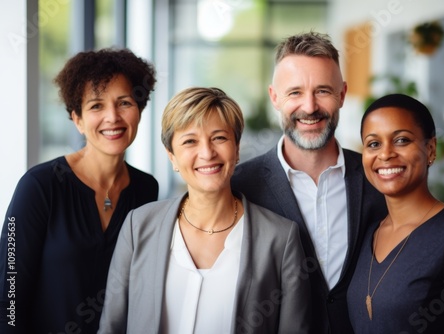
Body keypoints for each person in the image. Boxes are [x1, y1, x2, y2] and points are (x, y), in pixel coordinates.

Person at [97, 87, 312, 334]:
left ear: (237, 148)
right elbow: (112, 326)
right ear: (172, 157)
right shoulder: (138, 226)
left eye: (219, 138)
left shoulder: (280, 238)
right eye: (190, 141)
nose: (207, 153)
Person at [231, 31, 387, 333]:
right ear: (274, 97)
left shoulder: (376, 177)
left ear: (342, 94)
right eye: (295, 93)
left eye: (323, 91)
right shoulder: (240, 186)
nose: (310, 107)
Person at [0, 48, 159, 333]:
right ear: (77, 119)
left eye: (124, 102)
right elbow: (8, 299)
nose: (113, 117)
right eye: (96, 106)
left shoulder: (147, 189)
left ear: (139, 109)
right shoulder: (39, 186)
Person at [347, 93, 444, 333]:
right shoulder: (368, 232)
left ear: (430, 149)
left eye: (401, 140)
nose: (386, 154)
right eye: (374, 144)